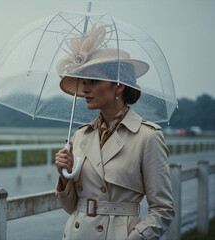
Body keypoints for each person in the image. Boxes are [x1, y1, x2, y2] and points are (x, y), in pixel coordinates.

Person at [54, 23, 174, 240]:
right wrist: (65, 175)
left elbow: (163, 210)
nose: (85, 88)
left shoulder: (147, 137)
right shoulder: (81, 135)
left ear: (119, 85)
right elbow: (71, 207)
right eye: (84, 81)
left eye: (94, 80)